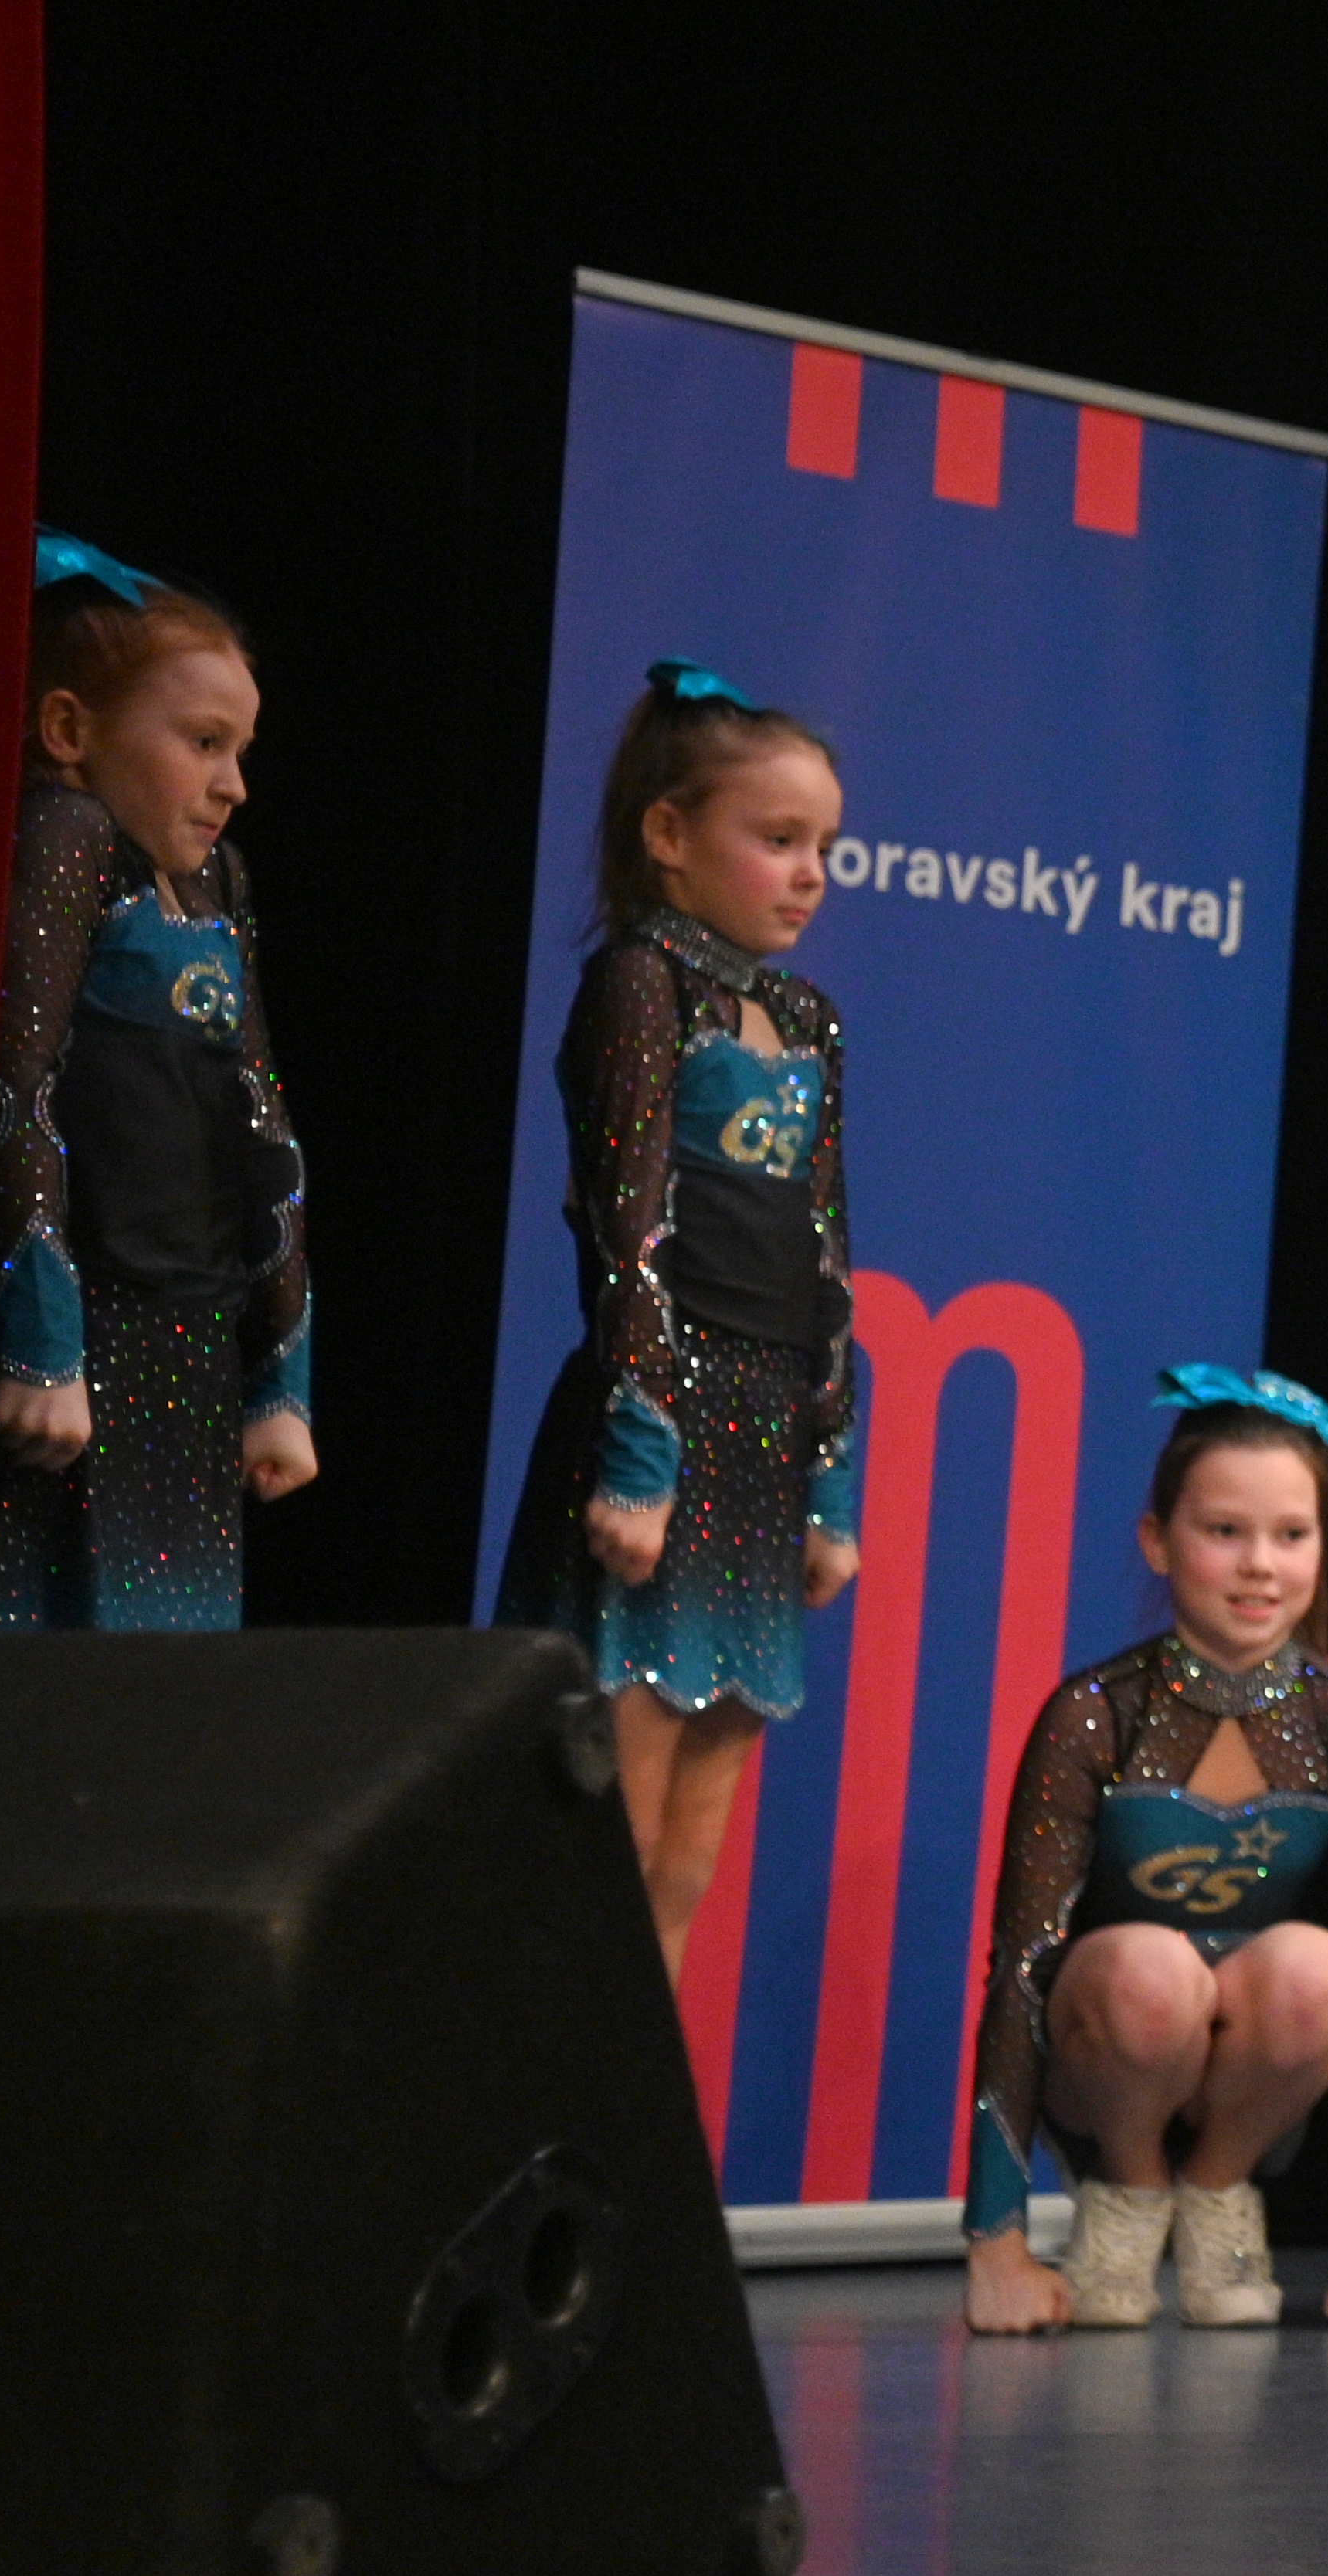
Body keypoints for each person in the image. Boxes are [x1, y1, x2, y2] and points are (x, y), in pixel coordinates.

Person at [493, 661, 859, 1982]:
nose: (810, 875)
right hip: (661, 1412)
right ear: (669, 833)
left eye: (826, 849)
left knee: (689, 1862)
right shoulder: (641, 984)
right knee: (607, 1836)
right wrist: (641, 1452)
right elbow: (627, 1231)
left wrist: (829, 1477)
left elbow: (827, 1258)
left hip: (762, 1439)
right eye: (780, 840)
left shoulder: (807, 1020)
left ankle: (645, 2101)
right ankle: (549, 2083)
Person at [959, 1369, 1328, 2332]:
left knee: (1323, 1968)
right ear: (1158, 1540)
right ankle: (1130, 2191)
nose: (1260, 1565)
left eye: (1291, 1535)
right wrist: (995, 2241)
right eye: (1225, 1530)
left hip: (1259, 2066)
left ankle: (1219, 2190)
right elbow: (1020, 1968)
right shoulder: (1094, 1715)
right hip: (1106, 2055)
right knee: (1152, 1970)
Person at [0, 532, 311, 1630]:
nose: (233, 784)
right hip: (81, 1339)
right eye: (203, 742)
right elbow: (17, 1083)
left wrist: (280, 1372)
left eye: (241, 749)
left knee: (166, 1690)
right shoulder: (71, 837)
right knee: (48, 1685)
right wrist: (41, 1336)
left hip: (189, 1349)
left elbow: (263, 1125)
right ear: (70, 730)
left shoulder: (216, 884)